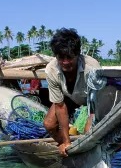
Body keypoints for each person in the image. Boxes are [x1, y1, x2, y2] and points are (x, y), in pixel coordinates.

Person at [43, 28, 101, 157]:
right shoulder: (51, 69)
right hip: (67, 98)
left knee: (90, 132)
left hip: (91, 100)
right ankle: (66, 147)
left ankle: (94, 146)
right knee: (49, 124)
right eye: (61, 58)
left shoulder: (92, 68)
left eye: (69, 57)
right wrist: (66, 141)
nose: (65, 62)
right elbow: (59, 105)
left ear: (78, 54)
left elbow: (97, 104)